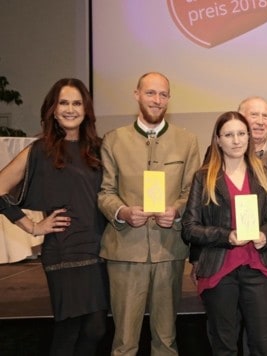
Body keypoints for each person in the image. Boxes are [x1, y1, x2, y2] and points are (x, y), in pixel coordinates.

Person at [0, 78, 108, 355]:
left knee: (96, 328)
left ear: (86, 109)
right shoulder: (39, 150)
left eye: (76, 103)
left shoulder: (98, 148)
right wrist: (33, 226)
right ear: (52, 109)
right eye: (63, 102)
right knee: (69, 328)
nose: (70, 109)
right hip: (63, 249)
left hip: (98, 248)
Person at [98, 72, 200, 355]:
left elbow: (192, 191)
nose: (157, 100)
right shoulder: (114, 140)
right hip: (125, 252)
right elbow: (105, 192)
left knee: (166, 341)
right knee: (124, 342)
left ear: (169, 99)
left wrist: (177, 211)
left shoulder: (187, 141)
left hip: (169, 251)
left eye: (163, 94)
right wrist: (123, 212)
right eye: (150, 93)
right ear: (137, 95)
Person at [182, 111, 267, 355]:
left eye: (241, 134)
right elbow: (189, 228)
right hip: (219, 271)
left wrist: (265, 234)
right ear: (218, 139)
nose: (236, 140)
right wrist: (227, 236)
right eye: (229, 134)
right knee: (224, 346)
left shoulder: (263, 174)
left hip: (257, 269)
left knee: (264, 346)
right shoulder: (204, 177)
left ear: (249, 137)